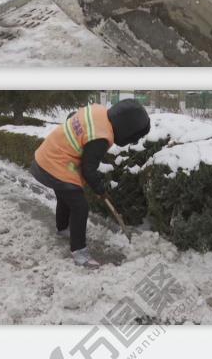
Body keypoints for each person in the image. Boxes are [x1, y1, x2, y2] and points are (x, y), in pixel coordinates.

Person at [31, 99, 150, 267]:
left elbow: (72, 117)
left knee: (66, 196)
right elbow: (89, 170)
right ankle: (80, 253)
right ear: (127, 129)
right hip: (55, 164)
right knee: (80, 206)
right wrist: (100, 190)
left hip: (45, 155)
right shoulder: (101, 136)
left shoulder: (97, 111)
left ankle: (63, 228)